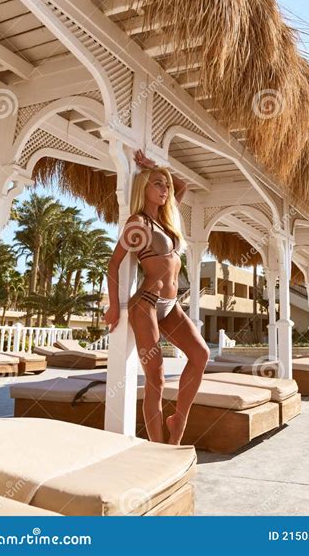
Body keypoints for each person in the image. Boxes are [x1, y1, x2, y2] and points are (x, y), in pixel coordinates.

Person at [104, 149, 210, 445]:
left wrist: (156, 168)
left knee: (201, 355)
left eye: (165, 185)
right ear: (144, 189)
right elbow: (114, 263)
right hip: (146, 305)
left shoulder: (166, 219)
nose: (165, 190)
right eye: (157, 185)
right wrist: (115, 305)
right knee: (157, 379)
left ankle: (179, 418)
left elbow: (182, 185)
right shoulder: (138, 223)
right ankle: (159, 447)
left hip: (170, 305)